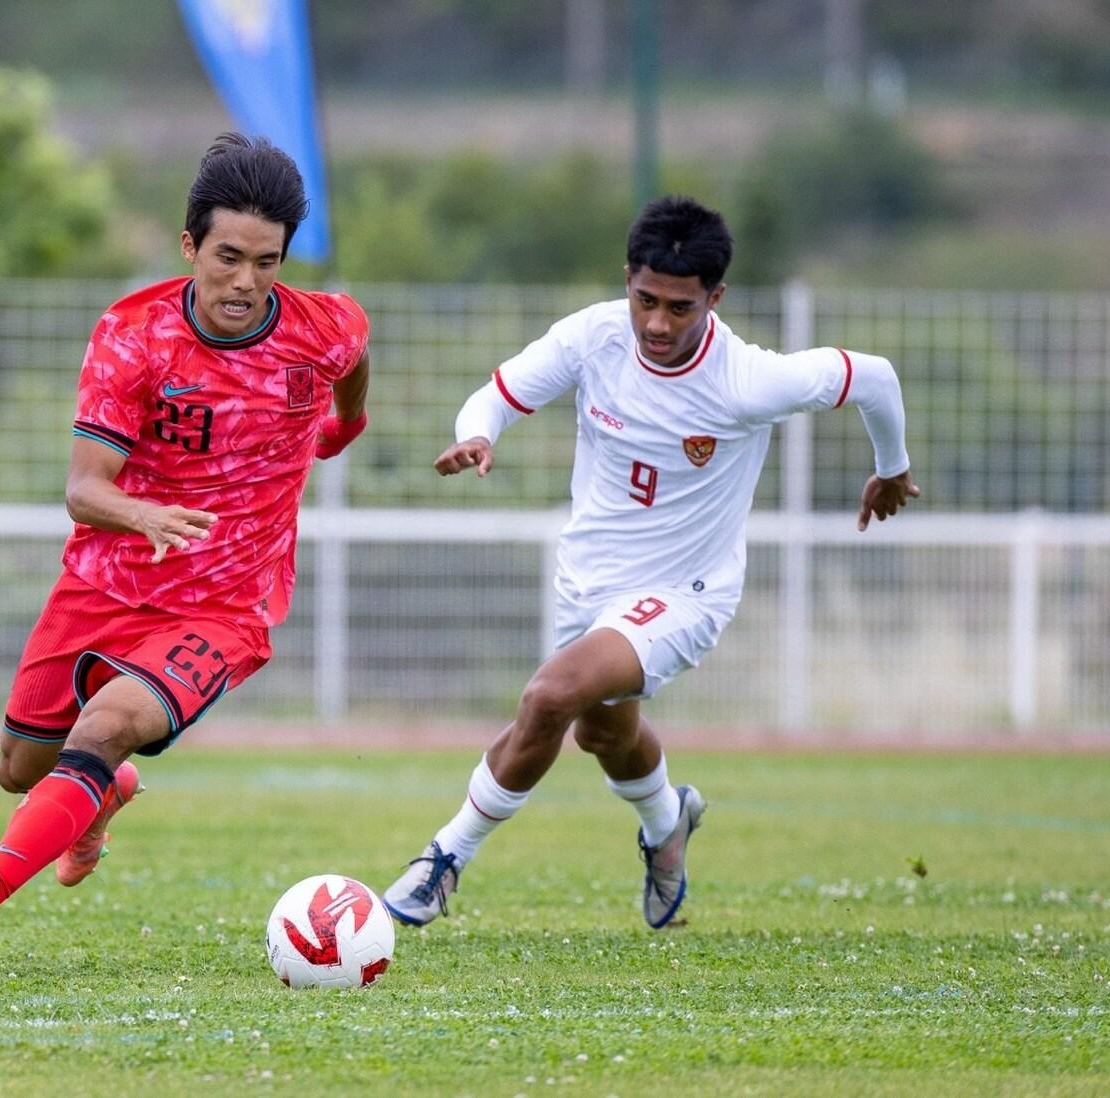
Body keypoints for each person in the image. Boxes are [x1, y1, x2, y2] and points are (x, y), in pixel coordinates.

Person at [382, 196, 919, 931]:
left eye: (679, 308)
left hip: (685, 593)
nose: (658, 324)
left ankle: (443, 861)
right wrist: (478, 435)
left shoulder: (749, 381)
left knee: (549, 697)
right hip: (589, 584)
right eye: (645, 301)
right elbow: (498, 395)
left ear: (715, 299)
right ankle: (668, 824)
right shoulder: (594, 337)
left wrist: (892, 467)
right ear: (626, 280)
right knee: (602, 734)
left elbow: (877, 376)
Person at [0, 133, 372, 957]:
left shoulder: (320, 328)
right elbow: (83, 490)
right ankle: (104, 793)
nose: (245, 281)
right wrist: (147, 516)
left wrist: (347, 424)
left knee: (106, 724)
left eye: (267, 262)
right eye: (228, 256)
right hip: (105, 579)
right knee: (21, 769)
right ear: (190, 244)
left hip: (227, 605)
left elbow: (354, 351)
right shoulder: (134, 337)